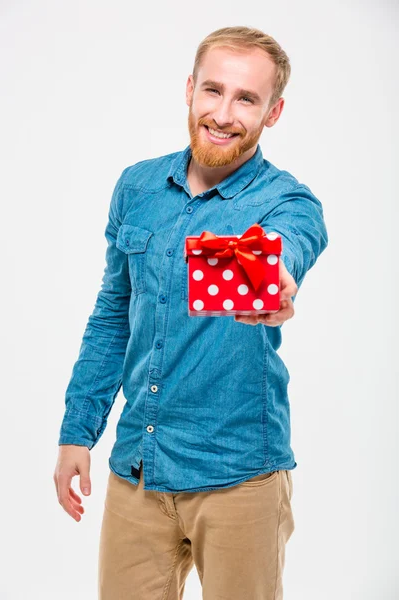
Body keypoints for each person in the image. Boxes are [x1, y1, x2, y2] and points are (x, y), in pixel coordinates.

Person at [54, 25, 328, 600]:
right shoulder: (138, 186)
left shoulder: (286, 201)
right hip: (138, 470)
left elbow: (292, 244)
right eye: (213, 91)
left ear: (273, 112)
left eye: (246, 99)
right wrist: (78, 432)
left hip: (239, 477)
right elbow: (112, 314)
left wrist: (277, 281)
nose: (223, 114)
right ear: (189, 89)